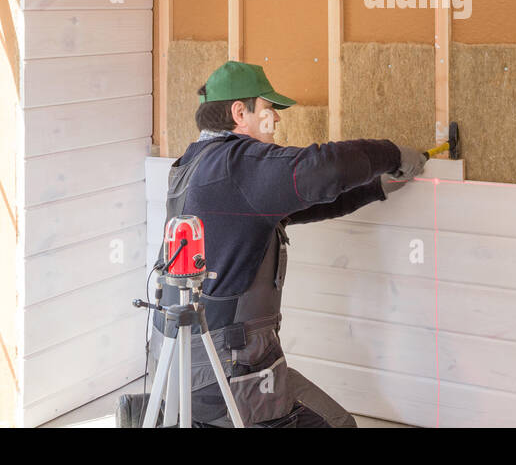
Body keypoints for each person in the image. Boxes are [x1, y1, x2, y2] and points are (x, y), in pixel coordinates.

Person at [141, 60, 427, 427]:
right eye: (268, 108)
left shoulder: (194, 164)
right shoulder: (237, 164)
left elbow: (303, 203)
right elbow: (326, 168)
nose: (276, 118)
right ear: (239, 113)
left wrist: (376, 187)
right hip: (226, 375)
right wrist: (392, 154)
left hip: (181, 371)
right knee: (338, 424)